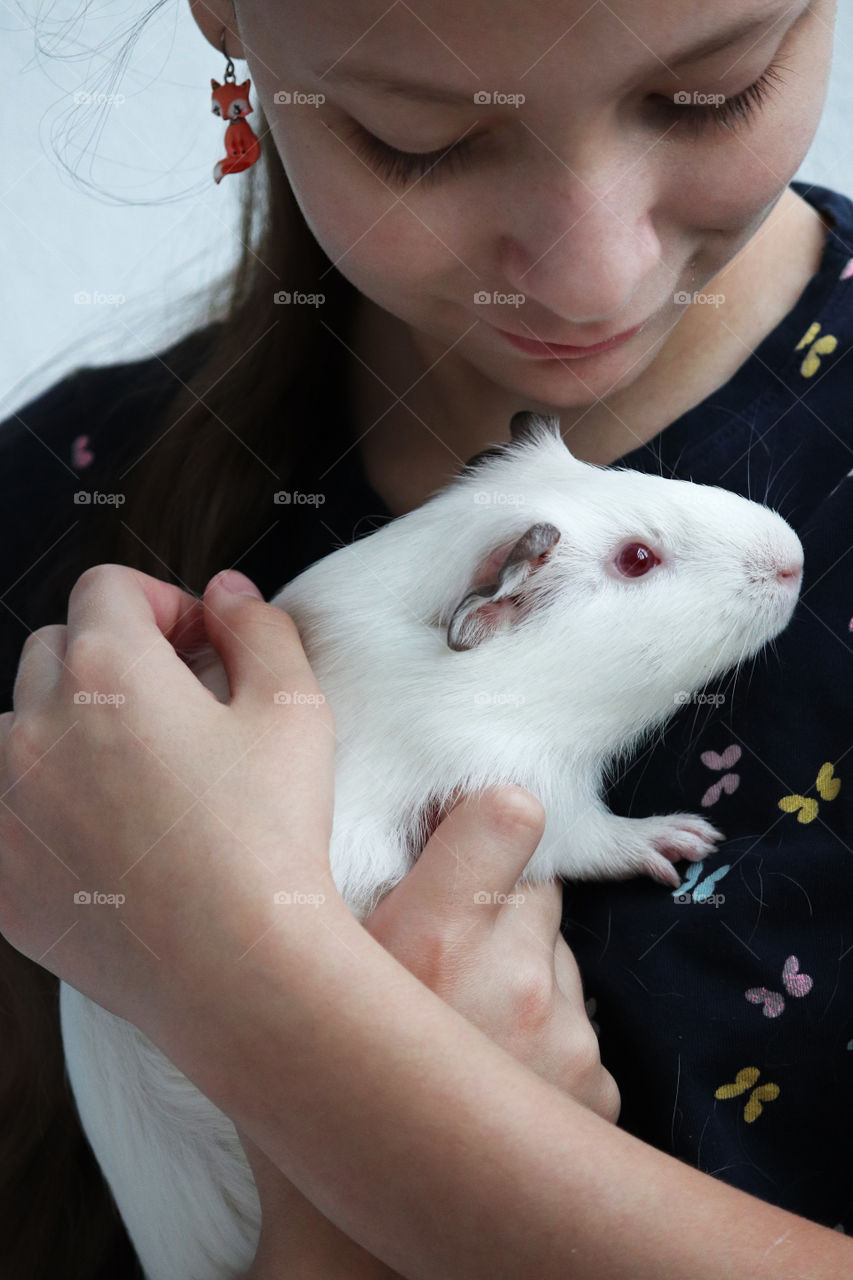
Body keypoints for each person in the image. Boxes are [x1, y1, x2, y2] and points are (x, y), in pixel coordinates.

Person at [1, 0, 852, 1275]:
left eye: (707, 93)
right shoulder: (53, 514)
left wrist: (286, 1031)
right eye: (420, 135)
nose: (591, 276)